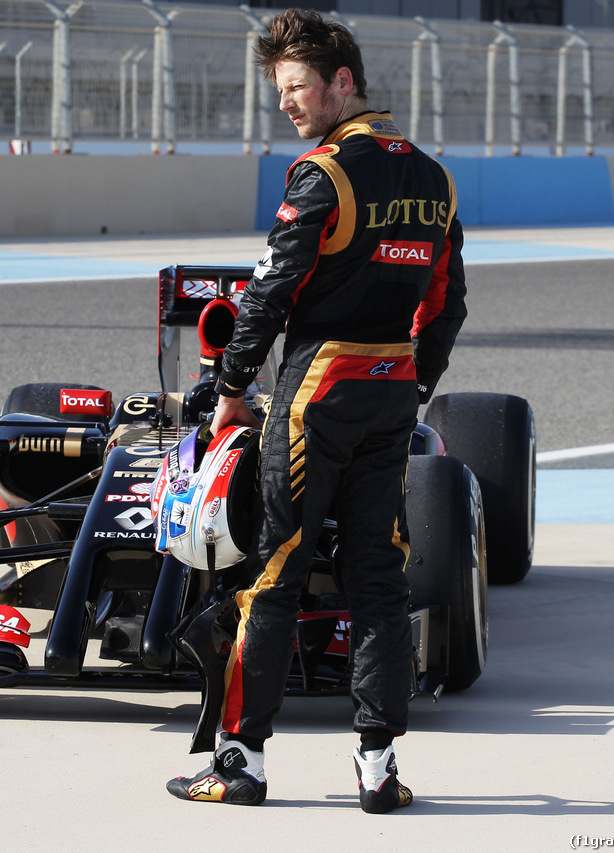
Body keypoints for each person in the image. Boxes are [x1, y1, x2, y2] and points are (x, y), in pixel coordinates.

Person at [165, 8, 467, 814]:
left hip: (314, 399)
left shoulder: (323, 174)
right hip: (391, 393)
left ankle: (243, 765)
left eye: (298, 88)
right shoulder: (435, 179)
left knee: (273, 575)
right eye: (281, 91)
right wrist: (413, 383)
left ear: (343, 81)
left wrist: (230, 387)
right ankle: (378, 771)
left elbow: (266, 295)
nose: (289, 105)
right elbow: (448, 305)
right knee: (377, 579)